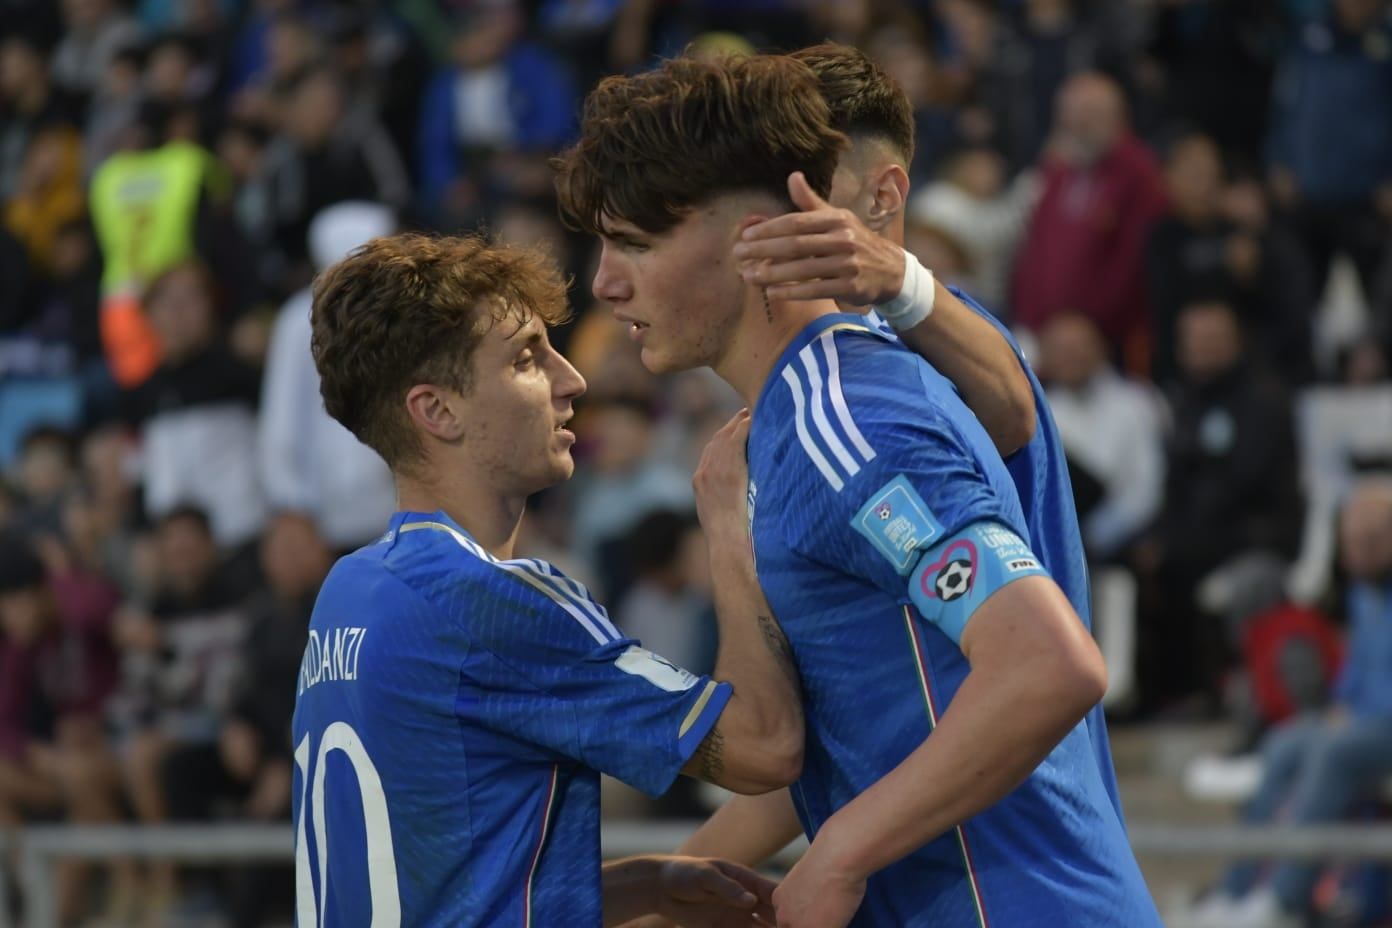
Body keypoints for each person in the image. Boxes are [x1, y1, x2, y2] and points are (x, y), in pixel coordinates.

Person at [557, 52, 1158, 927]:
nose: (605, 283)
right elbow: (865, 732)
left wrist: (839, 854)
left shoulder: (849, 420)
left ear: (757, 234)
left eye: (636, 244)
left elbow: (1047, 666)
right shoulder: (801, 421)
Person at [295, 231, 803, 926]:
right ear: (436, 410)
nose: (573, 380)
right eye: (528, 359)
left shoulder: (349, 590)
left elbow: (431, 875)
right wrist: (729, 535)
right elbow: (764, 747)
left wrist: (640, 885)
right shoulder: (489, 599)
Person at [1185, 480, 1392, 928]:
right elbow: (1356, 672)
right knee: (1285, 743)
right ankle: (1237, 891)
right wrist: (1341, 707)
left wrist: (1353, 718)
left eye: (1371, 539)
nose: (1357, 550)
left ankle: (1285, 901)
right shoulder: (1362, 593)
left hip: (1384, 724)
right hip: (1363, 719)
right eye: (1352, 539)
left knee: (1333, 752)